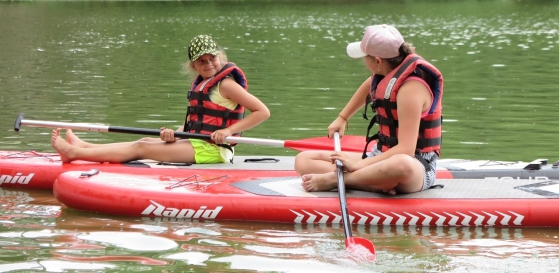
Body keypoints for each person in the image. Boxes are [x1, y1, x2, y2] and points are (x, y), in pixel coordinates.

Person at [51, 35, 270, 164]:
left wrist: (229, 132)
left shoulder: (227, 84)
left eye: (212, 58)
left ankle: (74, 154)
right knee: (147, 141)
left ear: (220, 57)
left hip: (214, 150)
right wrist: (174, 134)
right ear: (193, 65)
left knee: (141, 148)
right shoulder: (202, 84)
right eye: (201, 61)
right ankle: (87, 146)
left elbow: (262, 112)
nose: (208, 64)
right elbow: (196, 120)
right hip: (197, 143)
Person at [294, 24, 443, 195]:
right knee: (303, 160)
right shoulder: (386, 75)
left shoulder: (411, 89)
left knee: (401, 164)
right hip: (380, 155)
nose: (363, 62)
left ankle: (337, 180)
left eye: (365, 57)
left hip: (417, 166)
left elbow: (406, 150)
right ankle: (370, 183)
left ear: (378, 61)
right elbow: (367, 88)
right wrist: (342, 118)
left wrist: (358, 165)